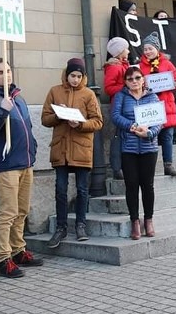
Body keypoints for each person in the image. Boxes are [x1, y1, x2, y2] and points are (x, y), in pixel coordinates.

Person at [0, 58, 43, 278]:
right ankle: (4, 259)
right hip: (7, 166)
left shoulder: (19, 98)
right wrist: (1, 112)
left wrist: (32, 148)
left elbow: (27, 128)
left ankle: (18, 250)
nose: (5, 75)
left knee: (22, 211)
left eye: (7, 71)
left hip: (25, 162)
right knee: (8, 213)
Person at [41, 58, 103, 248]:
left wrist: (81, 123)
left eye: (78, 76)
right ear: (66, 74)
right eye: (72, 75)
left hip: (81, 148)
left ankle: (80, 225)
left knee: (82, 189)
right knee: (60, 189)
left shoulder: (89, 94)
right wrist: (58, 116)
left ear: (83, 76)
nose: (75, 79)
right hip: (61, 148)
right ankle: (61, 227)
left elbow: (98, 122)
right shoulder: (55, 91)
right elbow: (45, 118)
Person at [112, 66, 161, 239]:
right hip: (129, 147)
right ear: (125, 81)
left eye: (137, 78)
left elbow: (159, 121)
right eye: (130, 79)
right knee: (131, 184)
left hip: (148, 147)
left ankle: (148, 220)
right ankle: (134, 221)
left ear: (143, 79)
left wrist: (149, 133)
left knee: (147, 185)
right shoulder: (121, 96)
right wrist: (132, 126)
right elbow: (115, 116)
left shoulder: (152, 96)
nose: (134, 81)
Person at [138, 31, 176, 176]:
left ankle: (168, 165)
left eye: (150, 48)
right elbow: (135, 83)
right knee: (150, 137)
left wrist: (175, 83)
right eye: (145, 49)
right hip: (149, 106)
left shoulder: (167, 63)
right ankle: (149, 167)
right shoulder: (140, 66)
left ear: (157, 49)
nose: (148, 51)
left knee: (168, 135)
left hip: (166, 104)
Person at [104, 37, 131, 179]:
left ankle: (124, 166)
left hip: (128, 104)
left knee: (126, 136)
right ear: (120, 52)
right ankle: (116, 167)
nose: (129, 51)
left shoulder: (125, 66)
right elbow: (108, 88)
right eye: (126, 48)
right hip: (119, 105)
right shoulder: (114, 67)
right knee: (119, 137)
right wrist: (126, 86)